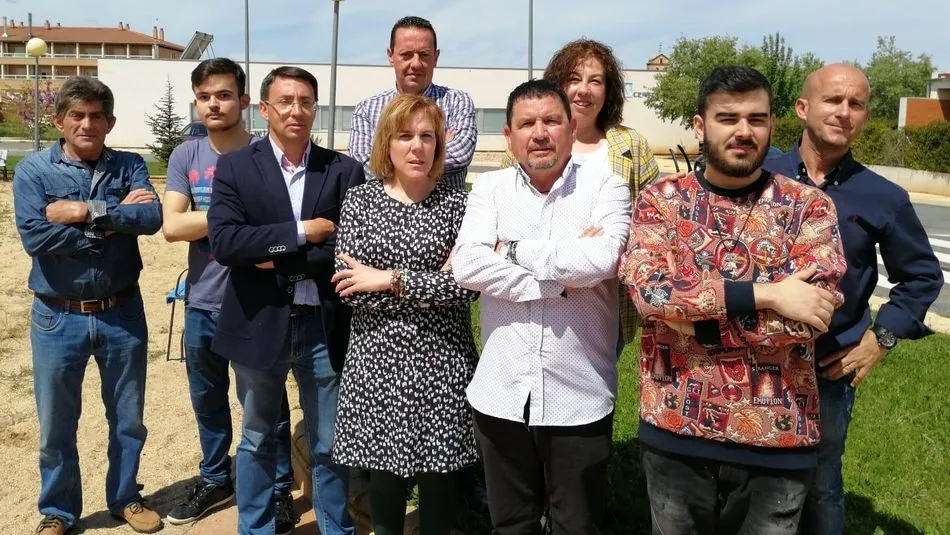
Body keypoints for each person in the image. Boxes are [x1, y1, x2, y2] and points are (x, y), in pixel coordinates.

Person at [620, 65, 847, 534]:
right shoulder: (661, 201)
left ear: (772, 124)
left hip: (779, 437)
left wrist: (693, 320)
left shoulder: (807, 207)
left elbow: (811, 317)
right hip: (675, 429)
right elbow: (649, 293)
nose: (744, 131)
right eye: (727, 118)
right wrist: (770, 294)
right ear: (700, 126)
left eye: (756, 119)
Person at [764, 63, 944, 535]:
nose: (844, 112)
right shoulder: (760, 177)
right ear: (802, 108)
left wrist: (880, 339)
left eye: (856, 104)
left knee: (822, 482)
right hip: (749, 362)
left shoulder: (883, 197)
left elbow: (922, 276)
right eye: (832, 100)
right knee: (750, 477)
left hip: (829, 366)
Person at [452, 79, 631, 535]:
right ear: (508, 135)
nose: (539, 133)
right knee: (512, 524)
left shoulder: (607, 188)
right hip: (501, 393)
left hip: (579, 395)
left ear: (571, 128)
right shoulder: (489, 189)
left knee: (577, 525)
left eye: (551, 121)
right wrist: (561, 280)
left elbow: (603, 259)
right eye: (526, 123)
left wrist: (510, 249)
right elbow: (468, 266)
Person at [207, 66, 365, 535]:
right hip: (259, 321)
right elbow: (227, 243)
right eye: (286, 101)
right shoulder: (236, 167)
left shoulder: (343, 170)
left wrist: (274, 257)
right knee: (257, 437)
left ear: (316, 109)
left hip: (323, 324)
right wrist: (301, 232)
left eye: (306, 102)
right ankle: (254, 528)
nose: (297, 110)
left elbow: (348, 249)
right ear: (265, 109)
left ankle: (336, 528)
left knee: (330, 440)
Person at [13, 77, 163, 535]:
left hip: (122, 313)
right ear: (58, 120)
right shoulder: (34, 171)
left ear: (110, 123)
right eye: (76, 115)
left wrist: (83, 212)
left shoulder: (130, 165)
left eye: (97, 115)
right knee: (57, 424)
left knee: (128, 419)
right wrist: (116, 216)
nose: (87, 124)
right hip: (57, 317)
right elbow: (36, 238)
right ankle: (58, 512)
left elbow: (151, 217)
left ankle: (125, 497)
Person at [331, 94, 480, 535]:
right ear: (386, 143)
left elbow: (467, 287)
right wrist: (430, 283)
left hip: (443, 361)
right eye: (405, 136)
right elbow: (349, 288)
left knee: (439, 480)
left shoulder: (458, 205)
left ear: (439, 145)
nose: (417, 146)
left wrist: (386, 279)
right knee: (385, 480)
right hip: (377, 361)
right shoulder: (360, 201)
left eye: (427, 136)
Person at [161, 58, 298, 532]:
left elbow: (279, 227)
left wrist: (217, 223)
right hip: (200, 301)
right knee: (208, 400)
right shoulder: (186, 156)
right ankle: (216, 477)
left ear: (244, 101)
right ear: (196, 103)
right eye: (204, 97)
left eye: (223, 95)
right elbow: (171, 226)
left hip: (255, 302)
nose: (213, 104)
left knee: (266, 406)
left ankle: (279, 489)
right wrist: (233, 219)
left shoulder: (267, 154)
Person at [503, 38, 660, 349]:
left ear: (608, 90)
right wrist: (578, 248)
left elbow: (652, 223)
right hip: (533, 294)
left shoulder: (632, 146)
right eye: (574, 79)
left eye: (595, 81)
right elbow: (509, 220)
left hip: (607, 303)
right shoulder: (528, 144)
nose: (583, 90)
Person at [349, 15, 476, 190]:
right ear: (390, 56)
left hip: (447, 207)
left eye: (424, 55)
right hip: (385, 208)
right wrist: (440, 148)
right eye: (406, 55)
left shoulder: (457, 102)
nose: (415, 64)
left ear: (436, 57)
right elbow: (363, 164)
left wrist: (391, 157)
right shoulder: (367, 110)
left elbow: (460, 155)